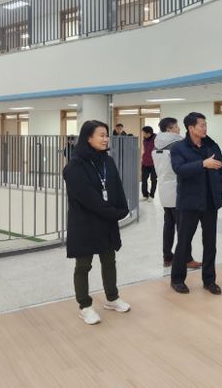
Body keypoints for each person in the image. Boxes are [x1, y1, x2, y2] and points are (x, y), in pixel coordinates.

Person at [63, 120, 131, 325]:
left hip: (106, 221)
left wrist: (122, 208)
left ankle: (112, 298)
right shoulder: (74, 166)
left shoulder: (107, 161)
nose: (105, 139)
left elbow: (117, 186)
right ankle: (84, 306)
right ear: (88, 138)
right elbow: (88, 198)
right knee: (83, 265)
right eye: (101, 135)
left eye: (106, 135)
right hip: (85, 223)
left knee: (109, 260)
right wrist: (112, 213)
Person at [170, 112, 222, 295]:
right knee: (184, 242)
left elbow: (221, 165)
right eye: (202, 125)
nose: (205, 128)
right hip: (189, 202)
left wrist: (220, 182)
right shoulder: (179, 148)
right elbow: (179, 169)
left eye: (205, 124)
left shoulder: (211, 144)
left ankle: (209, 280)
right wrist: (203, 164)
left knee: (210, 243)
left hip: (210, 201)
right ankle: (177, 279)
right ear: (191, 128)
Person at [152, 117, 202, 269]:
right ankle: (186, 259)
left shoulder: (156, 145)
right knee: (183, 227)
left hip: (164, 189)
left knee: (168, 224)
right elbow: (183, 168)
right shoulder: (178, 145)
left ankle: (167, 257)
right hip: (177, 189)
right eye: (176, 127)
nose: (179, 129)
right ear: (169, 129)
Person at [141, 125, 157, 201]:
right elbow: (145, 150)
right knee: (143, 179)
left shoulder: (156, 139)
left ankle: (152, 195)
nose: (143, 134)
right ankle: (145, 194)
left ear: (149, 133)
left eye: (144, 133)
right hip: (145, 162)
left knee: (153, 179)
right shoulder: (144, 139)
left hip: (154, 163)